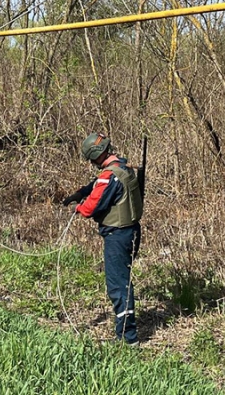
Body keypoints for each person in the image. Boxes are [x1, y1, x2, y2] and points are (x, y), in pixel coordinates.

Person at [63, 132, 143, 345]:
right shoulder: (124, 168)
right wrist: (81, 192)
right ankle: (127, 333)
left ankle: (128, 338)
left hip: (117, 235)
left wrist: (78, 206)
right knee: (122, 281)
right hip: (131, 231)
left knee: (118, 285)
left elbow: (91, 207)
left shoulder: (109, 177)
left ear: (96, 155)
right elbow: (98, 185)